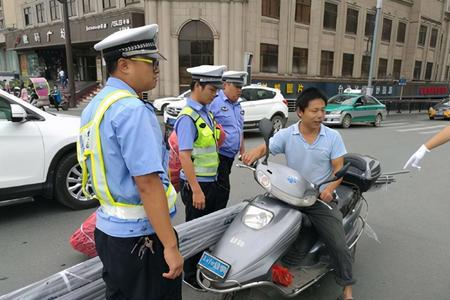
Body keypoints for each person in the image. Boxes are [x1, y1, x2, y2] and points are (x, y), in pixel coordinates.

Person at [77, 24, 183, 300]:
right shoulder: (132, 110)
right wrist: (170, 246)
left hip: (109, 233)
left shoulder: (95, 106)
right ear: (124, 65)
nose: (157, 69)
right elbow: (147, 184)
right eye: (151, 62)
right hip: (143, 238)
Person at [242, 87, 355, 300]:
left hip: (318, 198)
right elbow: (265, 148)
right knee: (255, 216)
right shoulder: (288, 134)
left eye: (323, 110)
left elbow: (338, 170)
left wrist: (329, 189)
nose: (320, 115)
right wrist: (251, 155)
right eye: (315, 111)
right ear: (301, 112)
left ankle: (347, 291)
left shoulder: (332, 136)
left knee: (338, 244)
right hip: (289, 193)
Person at [174, 64, 226, 288]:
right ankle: (189, 273)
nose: (215, 95)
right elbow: (184, 156)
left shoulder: (206, 113)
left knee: (208, 229)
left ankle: (201, 268)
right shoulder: (188, 117)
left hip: (210, 182)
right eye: (212, 90)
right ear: (198, 86)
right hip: (197, 186)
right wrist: (195, 189)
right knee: (195, 230)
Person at [208, 70, 247, 210]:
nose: (239, 90)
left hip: (230, 157)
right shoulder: (214, 102)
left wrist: (242, 151)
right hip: (218, 156)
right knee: (221, 191)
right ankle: (215, 219)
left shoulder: (237, 105)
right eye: (237, 87)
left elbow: (239, 129)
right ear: (225, 85)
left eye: (241, 87)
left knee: (221, 191)